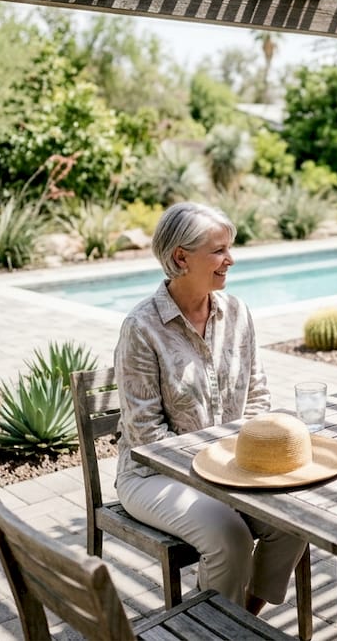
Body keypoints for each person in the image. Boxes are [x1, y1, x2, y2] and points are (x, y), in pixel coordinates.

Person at [113, 201, 306, 613]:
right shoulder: (142, 327)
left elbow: (257, 395)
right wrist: (218, 474)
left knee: (296, 518)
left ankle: (240, 621)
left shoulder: (236, 313)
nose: (229, 260)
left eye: (229, 248)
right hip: (151, 475)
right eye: (219, 250)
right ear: (181, 258)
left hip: (229, 468)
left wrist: (244, 463)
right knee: (229, 535)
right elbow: (147, 435)